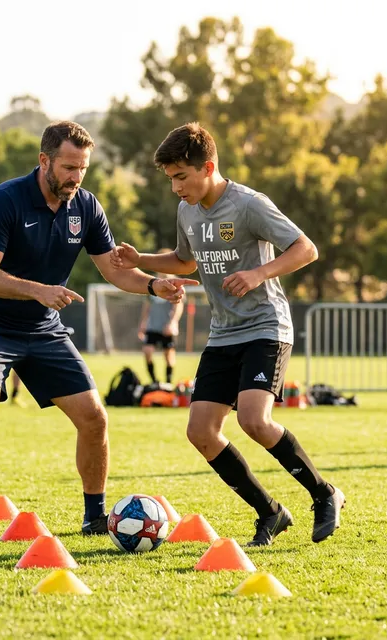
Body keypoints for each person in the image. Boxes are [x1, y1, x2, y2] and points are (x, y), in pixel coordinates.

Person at [0, 121, 197, 541]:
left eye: (82, 169)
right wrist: (39, 290)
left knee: (94, 417)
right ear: (44, 161)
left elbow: (114, 271)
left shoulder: (86, 206)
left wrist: (154, 285)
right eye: (67, 167)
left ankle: (94, 516)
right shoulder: (5, 200)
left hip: (44, 330)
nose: (75, 177)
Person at [111, 122, 345, 546]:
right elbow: (185, 261)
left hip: (266, 326)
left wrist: (259, 273)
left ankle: (324, 493)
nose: (175, 188)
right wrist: (139, 259)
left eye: (181, 176)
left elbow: (305, 248)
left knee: (255, 420)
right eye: (170, 179)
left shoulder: (249, 204)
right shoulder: (187, 209)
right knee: (200, 432)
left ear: (208, 167)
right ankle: (270, 512)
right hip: (223, 334)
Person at [138, 249, 183, 384]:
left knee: (168, 355)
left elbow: (178, 306)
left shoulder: (174, 284)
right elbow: (147, 306)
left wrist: (172, 323)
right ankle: (154, 381)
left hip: (166, 327)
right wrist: (143, 323)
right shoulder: (152, 283)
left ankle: (168, 383)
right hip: (153, 326)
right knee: (147, 351)